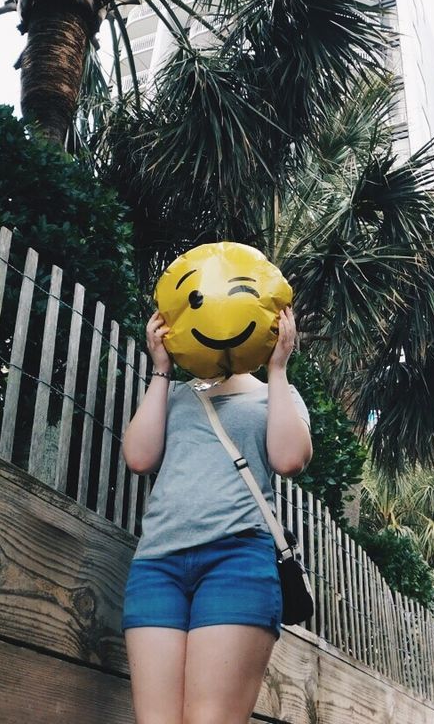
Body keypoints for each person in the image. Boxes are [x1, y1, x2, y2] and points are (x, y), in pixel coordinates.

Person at [121, 305, 314, 724]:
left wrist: (278, 369)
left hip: (238, 560)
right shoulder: (174, 395)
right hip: (158, 563)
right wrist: (160, 369)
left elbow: (289, 459)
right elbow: (138, 458)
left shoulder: (276, 394)